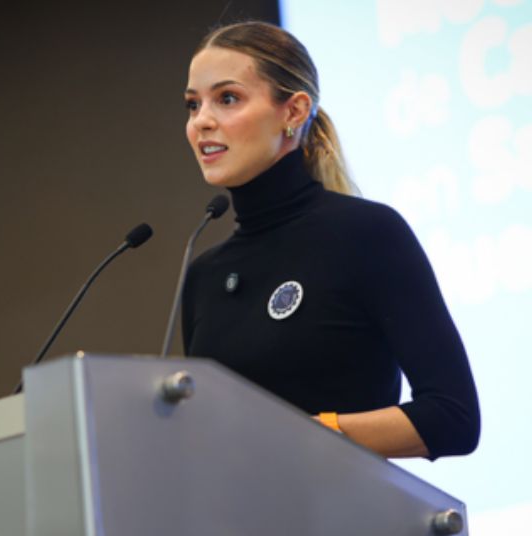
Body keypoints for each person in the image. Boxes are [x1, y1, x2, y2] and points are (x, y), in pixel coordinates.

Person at [180, 21, 479, 459]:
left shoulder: (367, 235)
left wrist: (307, 433)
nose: (202, 121)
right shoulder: (204, 275)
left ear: (294, 111)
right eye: (192, 105)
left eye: (227, 99)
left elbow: (454, 418)